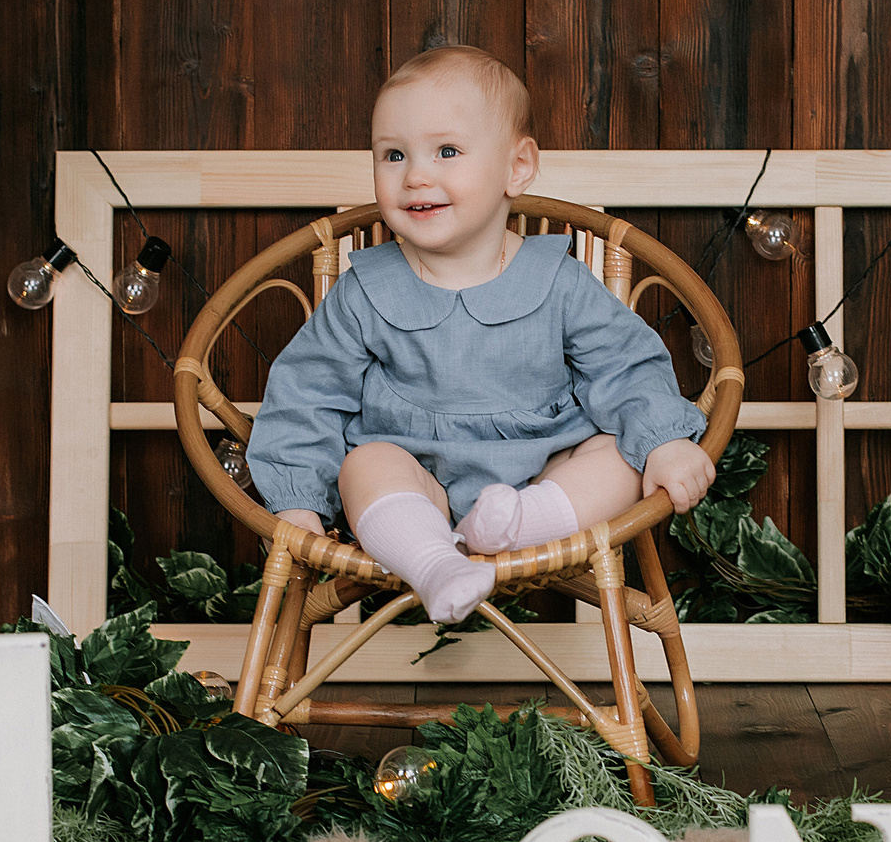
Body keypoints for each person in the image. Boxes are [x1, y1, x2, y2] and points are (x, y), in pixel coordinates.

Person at [248, 46, 717, 621]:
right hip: (419, 482)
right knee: (364, 464)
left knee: (619, 460)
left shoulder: (557, 280)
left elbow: (625, 363)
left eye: (447, 151)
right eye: (393, 154)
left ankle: (521, 525)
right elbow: (305, 391)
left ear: (516, 168)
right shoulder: (365, 290)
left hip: (549, 470)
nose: (416, 175)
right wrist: (297, 500)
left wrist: (663, 438)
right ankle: (434, 562)